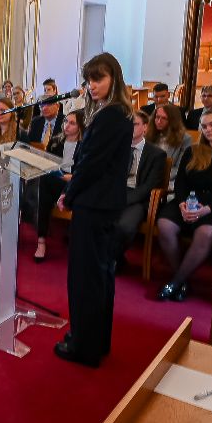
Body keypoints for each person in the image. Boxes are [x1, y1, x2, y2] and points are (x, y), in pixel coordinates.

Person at [52, 53, 133, 367]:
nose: (92, 85)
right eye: (88, 80)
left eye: (98, 78)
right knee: (100, 274)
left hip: (94, 203)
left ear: (114, 78)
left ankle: (83, 347)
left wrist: (69, 195)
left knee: (86, 277)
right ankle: (95, 341)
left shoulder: (110, 115)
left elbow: (90, 164)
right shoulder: (118, 113)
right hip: (104, 203)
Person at [156, 107, 212, 302]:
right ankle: (181, 279)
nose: (208, 130)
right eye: (204, 126)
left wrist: (207, 209)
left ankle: (175, 282)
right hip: (188, 200)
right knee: (165, 225)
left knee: (205, 233)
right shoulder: (193, 151)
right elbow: (181, 182)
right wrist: (182, 203)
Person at [114, 111, 168, 265]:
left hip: (138, 198)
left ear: (145, 127)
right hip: (114, 193)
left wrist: (124, 200)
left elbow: (150, 185)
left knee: (125, 226)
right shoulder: (116, 148)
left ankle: (112, 260)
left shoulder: (157, 154)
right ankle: (110, 259)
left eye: (135, 124)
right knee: (95, 219)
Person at [29, 110, 82, 263]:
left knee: (49, 184)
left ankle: (72, 236)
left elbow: (85, 170)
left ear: (80, 126)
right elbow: (48, 163)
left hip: (75, 182)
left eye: (72, 123)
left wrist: (73, 177)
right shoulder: (55, 141)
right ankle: (41, 241)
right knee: (44, 181)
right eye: (65, 121)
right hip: (57, 179)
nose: (66, 126)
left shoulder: (85, 145)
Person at [148, 102, 193, 190]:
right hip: (148, 177)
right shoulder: (149, 135)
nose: (159, 121)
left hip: (170, 179)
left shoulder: (185, 139)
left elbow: (180, 168)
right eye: (157, 117)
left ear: (173, 121)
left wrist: (157, 176)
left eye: (164, 118)